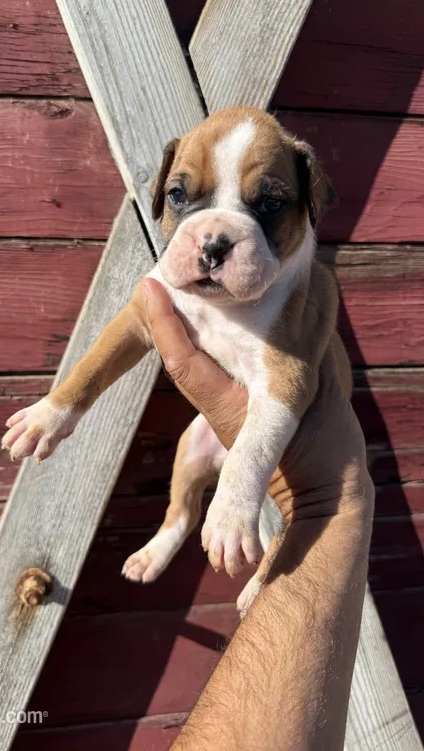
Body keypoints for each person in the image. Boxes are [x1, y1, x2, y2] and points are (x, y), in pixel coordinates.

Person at [142, 278, 374, 751]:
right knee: (188, 471)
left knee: (291, 509)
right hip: (222, 419)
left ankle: (268, 568)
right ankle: (175, 525)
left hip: (286, 429)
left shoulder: (302, 299)